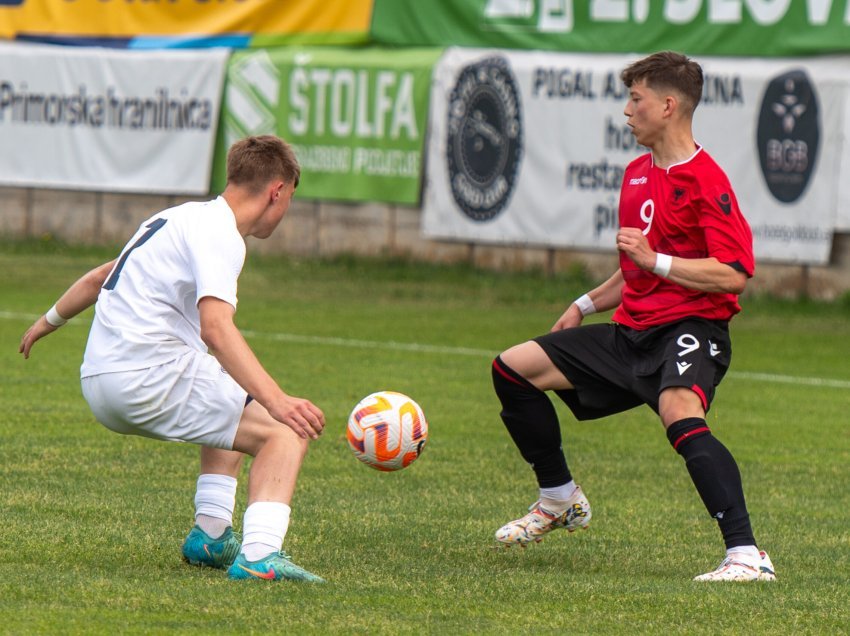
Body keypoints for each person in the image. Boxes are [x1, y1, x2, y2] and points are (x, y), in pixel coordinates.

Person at [491, 52, 776, 582]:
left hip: (691, 330)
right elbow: (635, 267)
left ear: (668, 106)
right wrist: (583, 304)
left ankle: (747, 555)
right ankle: (559, 498)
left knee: (680, 414)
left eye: (636, 99)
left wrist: (656, 261)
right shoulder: (637, 173)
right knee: (512, 367)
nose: (627, 111)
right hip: (632, 334)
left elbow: (734, 273)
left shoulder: (706, 181)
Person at [19, 135, 326, 582]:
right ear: (277, 191)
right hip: (146, 376)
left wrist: (49, 320)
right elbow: (216, 328)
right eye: (290, 199)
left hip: (98, 380)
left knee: (233, 396)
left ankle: (211, 535)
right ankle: (260, 557)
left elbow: (102, 275)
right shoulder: (222, 235)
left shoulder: (175, 217)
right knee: (283, 429)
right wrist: (279, 401)